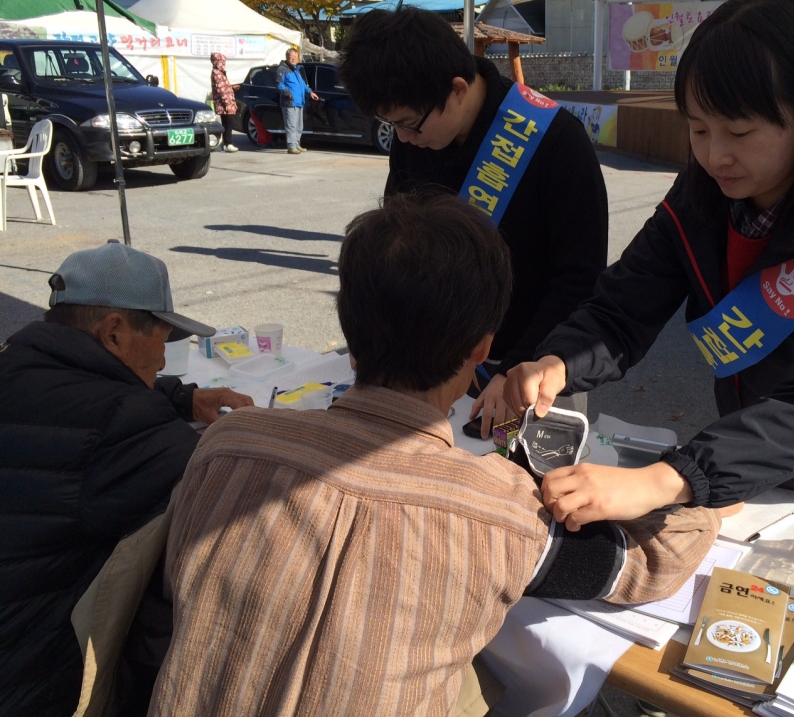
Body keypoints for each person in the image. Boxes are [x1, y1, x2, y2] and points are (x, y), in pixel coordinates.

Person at [149, 194, 720, 717]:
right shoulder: (501, 512)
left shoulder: (226, 446)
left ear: (348, 325)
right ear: (482, 348)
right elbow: (654, 565)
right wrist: (695, 495)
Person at [505, 0, 794, 529]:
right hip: (744, 458)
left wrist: (667, 479)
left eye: (740, 132)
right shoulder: (702, 192)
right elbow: (625, 303)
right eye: (698, 128)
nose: (713, 155)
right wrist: (557, 361)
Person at [0, 241, 253, 717]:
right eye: (161, 337)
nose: (162, 358)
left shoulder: (15, 364)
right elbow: (225, 476)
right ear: (114, 333)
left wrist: (181, 396)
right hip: (29, 678)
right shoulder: (125, 425)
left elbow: (80, 398)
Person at [339, 7, 609, 439]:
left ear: (457, 89)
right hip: (434, 371)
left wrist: (520, 368)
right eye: (391, 126)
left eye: (408, 124)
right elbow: (399, 250)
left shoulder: (554, 139)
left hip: (535, 368)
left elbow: (581, 277)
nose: (403, 140)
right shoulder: (416, 136)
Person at [276, 47, 318, 154]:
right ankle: (291, 146)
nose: (294, 59)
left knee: (299, 126)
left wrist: (310, 92)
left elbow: (303, 85)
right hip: (289, 102)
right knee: (291, 125)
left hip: (300, 102)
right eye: (291, 57)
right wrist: (288, 94)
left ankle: (296, 143)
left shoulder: (297, 70)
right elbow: (279, 84)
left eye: (295, 56)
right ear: (287, 57)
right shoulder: (282, 69)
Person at [210, 52, 239, 153]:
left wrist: (232, 87)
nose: (223, 64)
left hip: (225, 102)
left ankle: (226, 143)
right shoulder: (217, 73)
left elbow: (224, 87)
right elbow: (221, 90)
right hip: (224, 104)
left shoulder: (220, 72)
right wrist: (227, 104)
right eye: (222, 62)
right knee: (229, 122)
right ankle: (228, 143)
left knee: (226, 123)